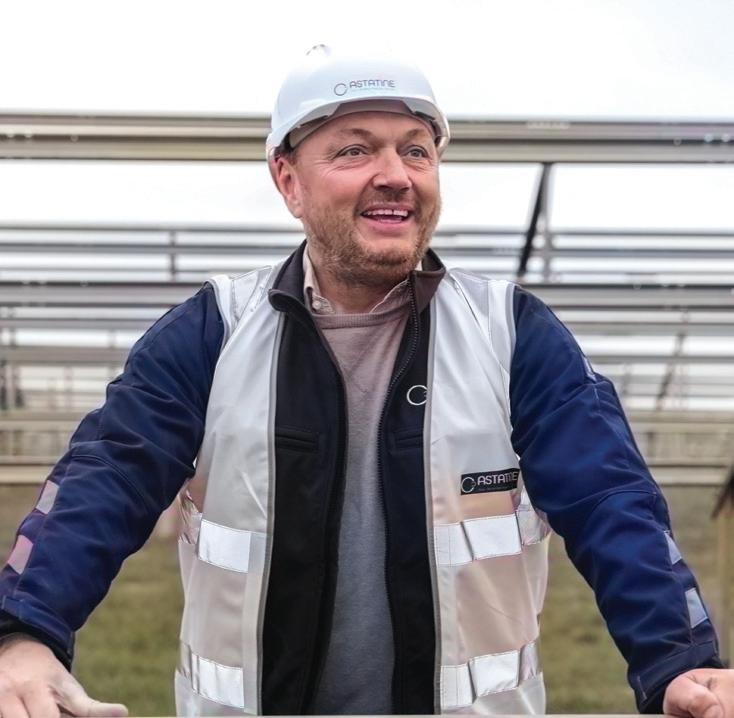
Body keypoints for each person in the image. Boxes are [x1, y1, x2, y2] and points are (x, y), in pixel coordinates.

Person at [0, 44, 732, 718]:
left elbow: (610, 501)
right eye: (355, 150)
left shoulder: (512, 335)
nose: (396, 174)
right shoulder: (212, 332)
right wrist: (24, 632)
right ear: (288, 180)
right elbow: (108, 476)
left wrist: (680, 662)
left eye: (416, 150)